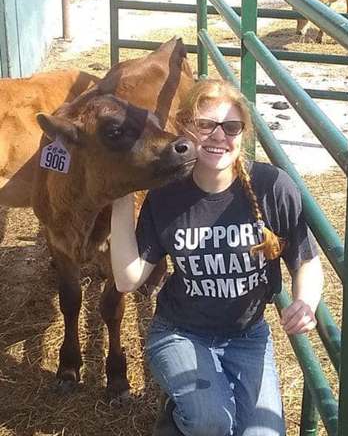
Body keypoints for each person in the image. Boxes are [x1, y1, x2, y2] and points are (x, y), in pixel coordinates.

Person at [110, 79, 324, 436]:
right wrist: (118, 198)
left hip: (248, 336)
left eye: (231, 127)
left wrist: (305, 301)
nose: (217, 136)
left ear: (244, 133)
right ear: (185, 127)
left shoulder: (273, 187)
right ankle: (179, 419)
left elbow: (306, 260)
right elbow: (127, 279)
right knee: (212, 422)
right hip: (180, 332)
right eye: (205, 124)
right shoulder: (166, 196)